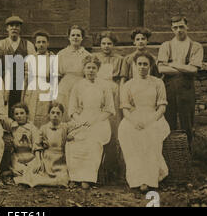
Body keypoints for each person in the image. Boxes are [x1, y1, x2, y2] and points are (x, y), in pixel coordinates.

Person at [118, 53, 170, 192]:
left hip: (155, 117)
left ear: (150, 66)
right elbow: (125, 109)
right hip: (134, 117)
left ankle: (149, 179)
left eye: (145, 64)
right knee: (126, 131)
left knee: (150, 134)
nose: (142, 67)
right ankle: (136, 178)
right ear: (135, 65)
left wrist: (150, 120)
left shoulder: (158, 82)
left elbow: (162, 107)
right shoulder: (128, 85)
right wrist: (134, 121)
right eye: (139, 64)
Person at [0, 15, 36, 178]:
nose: (14, 28)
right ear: (7, 29)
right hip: (6, 81)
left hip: (22, 81)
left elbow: (32, 65)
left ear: (20, 29)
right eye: (11, 26)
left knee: (22, 108)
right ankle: (6, 157)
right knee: (5, 111)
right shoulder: (0, 45)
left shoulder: (28, 45)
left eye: (17, 26)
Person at [66, 55, 114, 189]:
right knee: (73, 141)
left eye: (94, 68)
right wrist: (80, 120)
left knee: (93, 141)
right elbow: (72, 109)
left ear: (98, 69)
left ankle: (87, 178)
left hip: (99, 120)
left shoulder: (104, 85)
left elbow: (109, 110)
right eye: (88, 67)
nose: (91, 70)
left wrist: (95, 120)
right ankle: (75, 176)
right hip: (81, 120)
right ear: (84, 69)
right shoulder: (78, 85)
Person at [157, 16, 203, 147]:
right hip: (169, 87)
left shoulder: (196, 46)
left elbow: (194, 70)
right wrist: (184, 68)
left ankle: (186, 154)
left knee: (186, 122)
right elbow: (161, 68)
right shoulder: (166, 46)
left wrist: (172, 64)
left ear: (187, 27)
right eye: (175, 27)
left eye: (181, 26)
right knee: (168, 121)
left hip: (186, 88)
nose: (179, 30)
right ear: (172, 29)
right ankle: (169, 153)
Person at [16, 102, 81, 188]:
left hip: (60, 160)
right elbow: (37, 145)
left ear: (62, 115)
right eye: (52, 112)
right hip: (46, 158)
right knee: (34, 175)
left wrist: (72, 135)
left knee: (62, 179)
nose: (55, 115)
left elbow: (79, 126)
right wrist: (39, 161)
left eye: (58, 113)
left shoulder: (65, 127)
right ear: (48, 114)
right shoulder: (44, 128)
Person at [95, 31, 124, 183]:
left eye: (109, 43)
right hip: (97, 92)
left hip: (113, 93)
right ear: (100, 45)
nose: (106, 46)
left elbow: (121, 79)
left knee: (113, 128)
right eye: (103, 43)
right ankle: (97, 166)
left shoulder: (119, 60)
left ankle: (112, 166)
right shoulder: (95, 58)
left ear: (113, 45)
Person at [0, 103, 42, 186]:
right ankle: (11, 171)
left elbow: (37, 145)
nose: (19, 116)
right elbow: (3, 119)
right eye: (16, 114)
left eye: (22, 113)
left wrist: (38, 161)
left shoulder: (32, 128)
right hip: (17, 158)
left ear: (27, 114)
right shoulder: (13, 126)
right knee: (19, 173)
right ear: (14, 116)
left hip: (31, 157)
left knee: (33, 174)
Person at [22, 30, 56, 128]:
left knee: (44, 116)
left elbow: (54, 80)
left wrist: (54, 97)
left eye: (43, 42)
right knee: (31, 115)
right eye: (38, 42)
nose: (41, 45)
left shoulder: (52, 58)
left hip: (46, 90)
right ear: (35, 44)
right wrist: (23, 96)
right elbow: (25, 79)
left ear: (48, 43)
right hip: (31, 91)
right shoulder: (29, 58)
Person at [57, 25, 91, 121]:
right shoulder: (61, 54)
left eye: (78, 35)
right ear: (69, 37)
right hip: (65, 85)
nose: (75, 37)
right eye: (73, 35)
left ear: (82, 38)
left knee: (78, 109)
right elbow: (57, 75)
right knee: (64, 108)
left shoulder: (87, 55)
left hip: (81, 84)